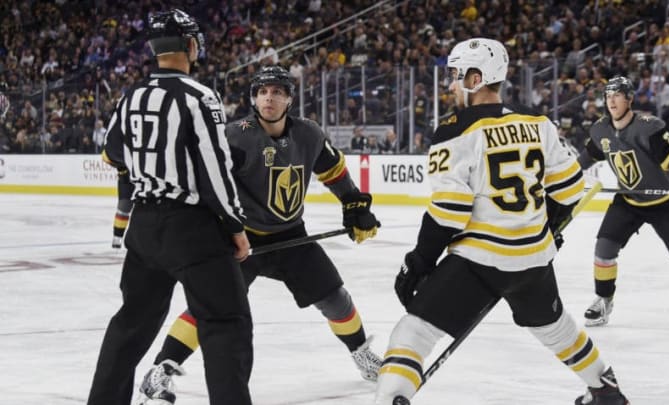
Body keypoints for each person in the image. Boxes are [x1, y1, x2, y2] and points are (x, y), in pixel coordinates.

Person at [374, 38, 629, 405]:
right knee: (555, 328)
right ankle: (605, 390)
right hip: (534, 258)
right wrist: (548, 228)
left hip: (480, 259)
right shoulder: (537, 122)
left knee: (413, 333)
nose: (450, 85)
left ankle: (390, 399)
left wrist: (418, 264)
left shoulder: (454, 130)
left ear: (475, 78)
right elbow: (571, 188)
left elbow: (449, 212)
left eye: (455, 76)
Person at [137, 65, 383, 403]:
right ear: (254, 98)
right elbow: (206, 181)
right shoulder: (235, 136)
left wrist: (354, 204)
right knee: (209, 306)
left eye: (277, 92)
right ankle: (160, 371)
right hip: (240, 239)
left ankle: (362, 355)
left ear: (289, 99)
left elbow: (334, 171)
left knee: (334, 297)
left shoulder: (309, 134)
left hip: (290, 235)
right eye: (263, 92)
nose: (269, 97)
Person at [87, 9, 254, 405]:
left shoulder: (132, 95)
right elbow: (215, 171)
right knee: (225, 321)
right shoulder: (199, 96)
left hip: (144, 227)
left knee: (130, 325)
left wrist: (149, 167)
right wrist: (234, 224)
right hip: (192, 230)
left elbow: (111, 152)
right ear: (190, 45)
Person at [577, 76, 669, 327]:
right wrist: (566, 174)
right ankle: (603, 300)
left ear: (629, 99)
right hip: (628, 200)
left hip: (665, 202)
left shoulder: (649, 126)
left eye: (617, 95)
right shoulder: (600, 129)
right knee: (604, 249)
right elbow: (588, 157)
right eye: (608, 96)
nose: (611, 101)